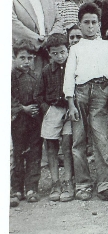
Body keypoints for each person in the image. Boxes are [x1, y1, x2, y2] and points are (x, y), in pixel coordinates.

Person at [63, 2, 108, 202]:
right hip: (80, 92)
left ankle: (106, 184)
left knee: (101, 138)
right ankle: (82, 184)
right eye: (86, 22)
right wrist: (70, 103)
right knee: (78, 140)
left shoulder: (106, 45)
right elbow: (69, 75)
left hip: (100, 92)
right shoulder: (75, 48)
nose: (90, 26)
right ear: (79, 25)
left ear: (99, 24)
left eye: (93, 22)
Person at [35, 33, 74, 202]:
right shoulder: (45, 71)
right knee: (51, 147)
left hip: (69, 110)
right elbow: (38, 95)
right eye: (55, 53)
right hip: (53, 110)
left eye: (62, 52)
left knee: (67, 146)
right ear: (49, 54)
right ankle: (55, 182)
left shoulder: (73, 67)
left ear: (68, 50)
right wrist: (48, 110)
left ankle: (68, 181)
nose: (59, 56)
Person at [13, 0, 64, 74]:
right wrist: (40, 41)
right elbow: (13, 24)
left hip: (50, 55)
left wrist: (51, 40)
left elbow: (59, 20)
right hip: (27, 55)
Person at [11, 39, 42, 205]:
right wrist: (23, 108)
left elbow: (40, 95)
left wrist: (37, 108)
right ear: (15, 57)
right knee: (18, 153)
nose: (26, 61)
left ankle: (32, 188)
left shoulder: (36, 76)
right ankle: (16, 189)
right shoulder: (10, 77)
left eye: (30, 58)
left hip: (34, 121)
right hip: (17, 120)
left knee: (34, 153)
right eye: (22, 58)